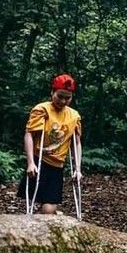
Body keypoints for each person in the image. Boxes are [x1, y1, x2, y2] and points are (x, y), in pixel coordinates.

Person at [17, 74, 82, 214]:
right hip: (39, 162)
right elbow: (29, 134)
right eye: (60, 96)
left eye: (68, 97)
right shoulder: (42, 110)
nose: (63, 101)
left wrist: (78, 168)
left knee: (49, 209)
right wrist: (30, 163)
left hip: (57, 166)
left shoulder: (74, 116)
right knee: (33, 202)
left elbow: (76, 143)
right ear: (52, 92)